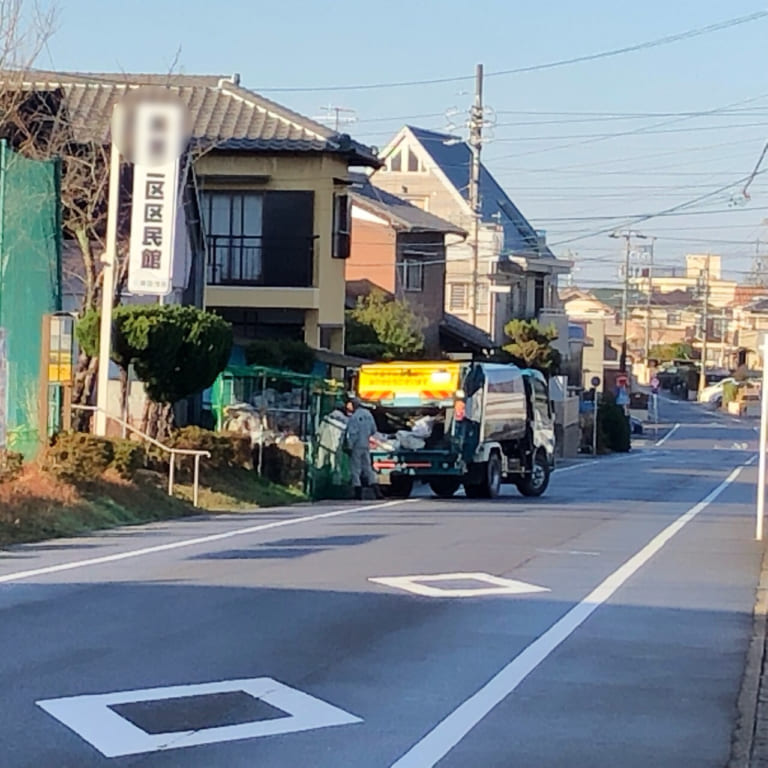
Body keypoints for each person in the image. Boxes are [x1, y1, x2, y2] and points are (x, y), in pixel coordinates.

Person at [344, 396, 383, 500]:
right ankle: (376, 489)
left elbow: (352, 433)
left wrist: (349, 445)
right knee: (368, 468)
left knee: (355, 468)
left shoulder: (354, 417)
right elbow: (373, 430)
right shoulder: (368, 414)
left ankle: (358, 491)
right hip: (365, 444)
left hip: (356, 445)